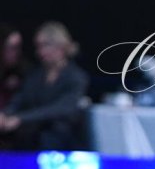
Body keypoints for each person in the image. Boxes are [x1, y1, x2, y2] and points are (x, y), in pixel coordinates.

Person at [0, 21, 89, 150]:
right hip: (31, 133)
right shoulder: (34, 75)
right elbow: (20, 98)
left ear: (60, 47)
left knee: (50, 136)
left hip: (60, 136)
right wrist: (5, 114)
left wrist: (20, 118)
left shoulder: (76, 77)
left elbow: (62, 108)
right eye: (38, 47)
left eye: (45, 46)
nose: (40, 52)